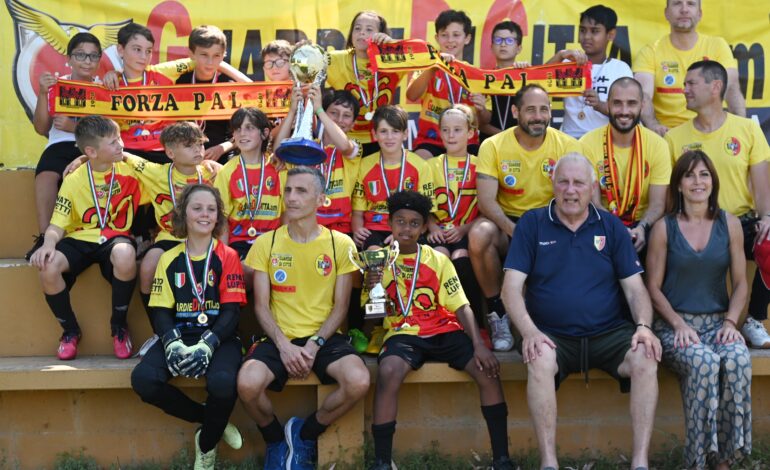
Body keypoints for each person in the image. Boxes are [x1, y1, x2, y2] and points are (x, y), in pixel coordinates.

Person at [501, 153, 661, 470]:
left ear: (592, 188)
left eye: (578, 183)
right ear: (552, 184)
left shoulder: (611, 226)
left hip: (608, 334)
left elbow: (635, 289)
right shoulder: (532, 224)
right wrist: (530, 332)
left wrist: (643, 326)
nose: (570, 190)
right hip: (552, 335)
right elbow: (510, 289)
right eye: (563, 182)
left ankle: (640, 462)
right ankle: (549, 463)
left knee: (646, 354)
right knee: (538, 356)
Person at [368, 191, 514, 470]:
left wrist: (479, 345)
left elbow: (462, 306)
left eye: (414, 223)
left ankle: (502, 459)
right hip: (403, 332)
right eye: (400, 221)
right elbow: (376, 315)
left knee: (487, 370)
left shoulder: (437, 260)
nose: (406, 229)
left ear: (424, 228)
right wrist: (374, 285)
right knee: (387, 372)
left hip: (443, 329)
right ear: (389, 224)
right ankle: (382, 462)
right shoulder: (379, 260)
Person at [237, 167, 370, 470]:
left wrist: (313, 345)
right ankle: (274, 440)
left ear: (321, 199)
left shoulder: (340, 243)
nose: (292, 198)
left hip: (324, 338)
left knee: (359, 381)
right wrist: (284, 345)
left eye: (301, 191)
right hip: (278, 338)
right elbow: (261, 306)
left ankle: (305, 434)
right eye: (288, 191)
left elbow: (341, 306)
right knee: (247, 384)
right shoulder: (266, 243)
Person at [646, 150, 751, 470]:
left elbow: (742, 283)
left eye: (704, 174)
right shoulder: (664, 228)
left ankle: (725, 457)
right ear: (678, 185)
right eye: (689, 175)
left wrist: (732, 322)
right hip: (675, 325)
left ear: (713, 181)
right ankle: (698, 459)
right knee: (703, 362)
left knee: (737, 357)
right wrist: (678, 325)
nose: (697, 181)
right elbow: (652, 287)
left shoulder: (729, 223)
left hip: (719, 323)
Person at [131, 184, 247, 470]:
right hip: (181, 336)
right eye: (197, 208)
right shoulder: (169, 258)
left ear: (218, 216)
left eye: (211, 209)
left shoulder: (228, 256)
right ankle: (211, 420)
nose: (205, 214)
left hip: (219, 337)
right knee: (143, 381)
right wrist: (172, 342)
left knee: (223, 384)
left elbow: (232, 312)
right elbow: (159, 310)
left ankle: (206, 444)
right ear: (184, 213)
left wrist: (209, 343)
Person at [665, 60, 770, 348]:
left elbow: (761, 183)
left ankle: (754, 319)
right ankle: (661, 322)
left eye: (690, 84)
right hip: (690, 224)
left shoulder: (748, 129)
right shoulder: (674, 137)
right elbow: (669, 195)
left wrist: (768, 217)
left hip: (739, 221)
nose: (683, 89)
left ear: (715, 87)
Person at [469, 84, 581, 351]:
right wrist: (516, 231)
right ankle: (498, 313)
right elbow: (486, 201)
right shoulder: (494, 145)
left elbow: (576, 198)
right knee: (479, 233)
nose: (539, 116)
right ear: (516, 111)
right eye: (531, 110)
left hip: (551, 221)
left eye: (544, 110)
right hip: (508, 223)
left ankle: (554, 318)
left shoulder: (568, 145)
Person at [29, 116, 141, 360]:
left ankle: (119, 326)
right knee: (47, 267)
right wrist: (47, 244)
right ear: (91, 151)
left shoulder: (132, 167)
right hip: (80, 239)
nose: (121, 145)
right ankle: (70, 331)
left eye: (119, 138)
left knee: (125, 254)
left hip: (115, 238)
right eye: (113, 142)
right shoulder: (74, 179)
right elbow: (57, 224)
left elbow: (167, 172)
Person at [27, 33, 104, 260]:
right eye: (80, 55)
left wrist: (74, 127)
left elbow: (107, 132)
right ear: (69, 59)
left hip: (91, 148)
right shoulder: (55, 86)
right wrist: (43, 93)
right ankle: (45, 238)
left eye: (92, 56)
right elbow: (42, 128)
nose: (87, 61)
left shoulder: (103, 91)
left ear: (99, 60)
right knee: (46, 174)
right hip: (59, 146)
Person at [580, 77, 670, 252]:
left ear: (642, 105)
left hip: (643, 224)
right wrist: (619, 230)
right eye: (617, 103)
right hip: (602, 221)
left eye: (631, 103)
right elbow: (594, 203)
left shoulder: (658, 145)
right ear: (608, 105)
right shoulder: (587, 143)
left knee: (661, 233)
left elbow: (658, 204)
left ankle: (651, 281)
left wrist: (641, 228)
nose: (624, 111)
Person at [634, 0, 745, 135]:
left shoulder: (717, 45)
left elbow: (731, 88)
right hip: (667, 135)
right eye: (677, 3)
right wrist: (653, 125)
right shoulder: (650, 51)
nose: (684, 9)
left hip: (710, 132)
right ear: (666, 13)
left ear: (700, 14)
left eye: (691, 4)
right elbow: (642, 95)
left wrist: (741, 129)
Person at [213, 107, 285, 287]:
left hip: (273, 242)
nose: (242, 134)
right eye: (238, 129)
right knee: (245, 269)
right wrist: (224, 256)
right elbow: (222, 219)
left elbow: (287, 214)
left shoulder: (278, 168)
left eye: (249, 128)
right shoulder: (227, 171)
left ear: (265, 133)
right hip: (240, 244)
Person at [426, 104, 484, 326]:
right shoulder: (430, 165)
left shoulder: (481, 165)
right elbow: (424, 206)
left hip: (468, 232)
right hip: (439, 233)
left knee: (462, 258)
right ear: (439, 132)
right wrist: (432, 228)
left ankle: (476, 324)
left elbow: (488, 208)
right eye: (446, 130)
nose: (451, 135)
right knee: (439, 255)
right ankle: (437, 322)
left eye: (458, 130)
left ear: (470, 133)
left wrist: (464, 229)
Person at [407, 9, 490, 158]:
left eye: (456, 35)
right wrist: (433, 67)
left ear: (467, 38)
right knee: (420, 160)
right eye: (444, 35)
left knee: (481, 165)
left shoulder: (477, 75)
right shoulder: (428, 67)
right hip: (431, 141)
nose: (450, 40)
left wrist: (482, 109)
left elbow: (484, 121)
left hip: (467, 143)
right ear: (437, 38)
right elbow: (412, 95)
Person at [351, 105, 435, 251]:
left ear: (405, 134)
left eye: (395, 131)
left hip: (408, 228)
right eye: (383, 131)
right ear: (374, 134)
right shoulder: (364, 165)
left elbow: (426, 211)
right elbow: (358, 212)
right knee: (375, 255)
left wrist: (400, 232)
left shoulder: (420, 166)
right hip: (374, 228)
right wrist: (357, 228)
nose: (389, 137)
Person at [327, 10, 405, 156]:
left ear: (381, 34)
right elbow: (306, 62)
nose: (362, 33)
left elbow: (424, 56)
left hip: (381, 140)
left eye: (369, 29)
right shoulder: (335, 60)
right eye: (357, 28)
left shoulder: (393, 60)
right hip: (345, 140)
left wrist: (391, 46)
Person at [557, 5, 634, 139]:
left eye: (594, 31)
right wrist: (560, 55)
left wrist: (599, 105)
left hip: (605, 140)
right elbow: (535, 86)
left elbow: (627, 111)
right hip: (569, 139)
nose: (586, 36)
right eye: (582, 30)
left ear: (611, 34)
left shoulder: (620, 69)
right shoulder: (566, 63)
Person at [176, 25, 236, 162]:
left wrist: (222, 148)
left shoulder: (230, 85)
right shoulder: (180, 82)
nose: (210, 62)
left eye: (216, 56)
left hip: (222, 154)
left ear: (223, 55)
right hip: (185, 155)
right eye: (204, 55)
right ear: (191, 53)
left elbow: (244, 132)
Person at [479, 21, 526, 141]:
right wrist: (504, 136)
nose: (503, 45)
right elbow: (480, 122)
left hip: (520, 142)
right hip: (489, 142)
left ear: (519, 48)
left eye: (509, 41)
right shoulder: (484, 79)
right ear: (491, 46)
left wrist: (528, 72)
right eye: (498, 40)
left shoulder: (525, 77)